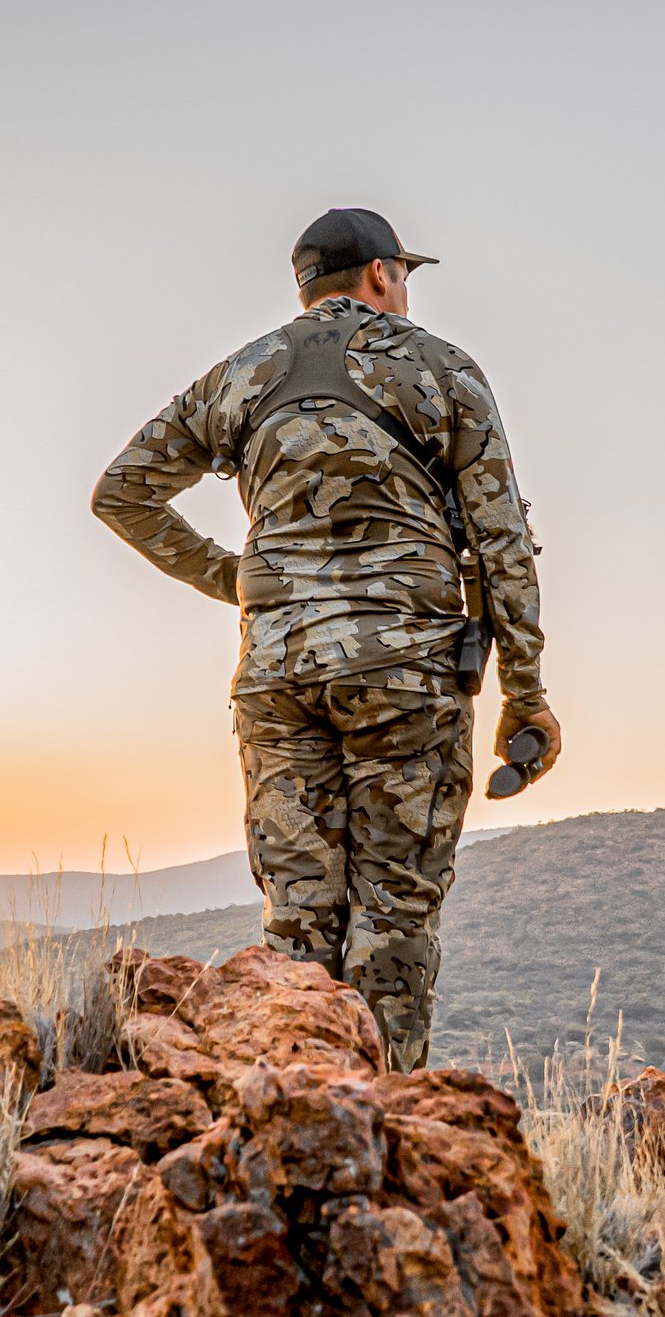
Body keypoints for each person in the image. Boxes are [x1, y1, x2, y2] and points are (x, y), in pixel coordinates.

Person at [92, 208, 558, 1071]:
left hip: (276, 678)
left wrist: (237, 580)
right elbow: (502, 543)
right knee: (394, 923)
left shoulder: (242, 373)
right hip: (405, 671)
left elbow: (122, 492)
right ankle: (381, 1137)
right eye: (405, 276)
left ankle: (295, 1118)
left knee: (298, 924)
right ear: (382, 275)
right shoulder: (443, 368)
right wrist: (525, 693)